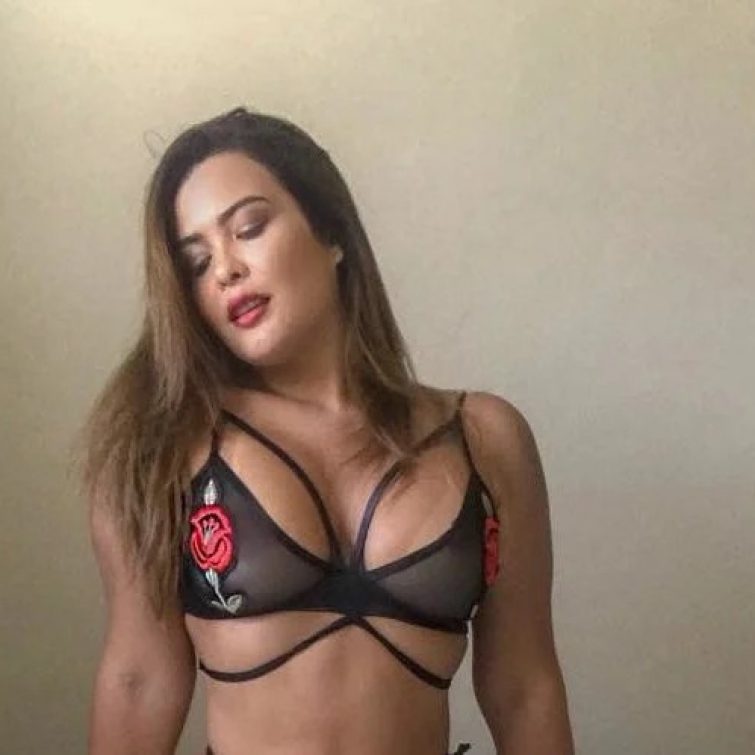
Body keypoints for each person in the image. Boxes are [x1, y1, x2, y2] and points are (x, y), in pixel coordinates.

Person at [74, 106, 574, 755]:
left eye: (249, 228)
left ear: (331, 231)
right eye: (196, 262)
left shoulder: (485, 439)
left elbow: (524, 689)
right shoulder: (164, 444)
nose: (225, 269)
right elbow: (140, 680)